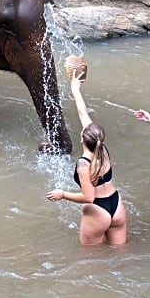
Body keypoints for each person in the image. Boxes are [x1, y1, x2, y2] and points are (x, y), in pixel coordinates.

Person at [47, 72, 127, 245]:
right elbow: (82, 113)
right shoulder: (102, 148)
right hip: (117, 204)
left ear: (82, 138)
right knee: (120, 256)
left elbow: (89, 197)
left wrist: (63, 194)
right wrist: (75, 89)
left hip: (98, 210)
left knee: (91, 263)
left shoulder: (84, 163)